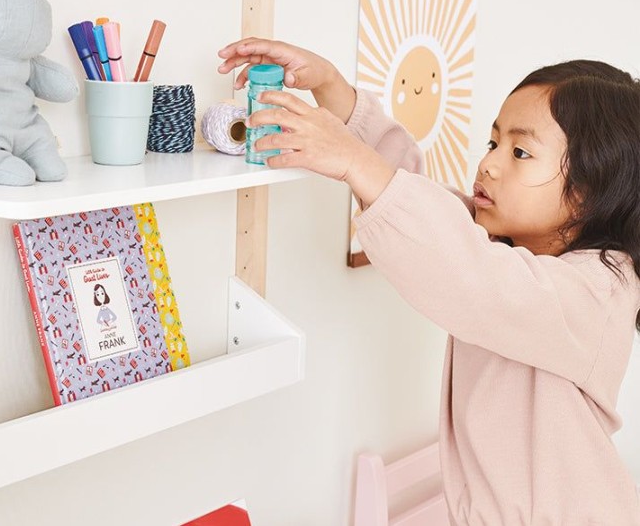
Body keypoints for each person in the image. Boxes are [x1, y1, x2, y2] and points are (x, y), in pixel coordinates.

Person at [217, 37, 640, 526]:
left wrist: (353, 160)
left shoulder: (596, 292)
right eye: (493, 142)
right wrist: (332, 89)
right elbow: (413, 195)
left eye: (520, 151)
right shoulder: (507, 246)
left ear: (590, 193)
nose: (489, 163)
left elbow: (464, 270)